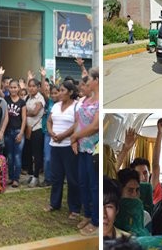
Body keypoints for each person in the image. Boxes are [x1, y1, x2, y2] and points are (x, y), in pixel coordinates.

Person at [45, 80, 80, 219]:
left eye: (62, 90)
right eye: (59, 90)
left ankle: (74, 208)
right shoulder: (55, 106)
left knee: (72, 178)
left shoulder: (76, 106)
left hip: (68, 145)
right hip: (55, 145)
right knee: (56, 176)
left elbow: (78, 124)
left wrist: (64, 135)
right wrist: (51, 132)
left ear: (71, 92)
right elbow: (49, 121)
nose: (59, 93)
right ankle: (54, 203)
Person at [71, 66, 99, 236]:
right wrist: (74, 138)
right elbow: (77, 122)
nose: (84, 84)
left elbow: (95, 127)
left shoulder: (100, 101)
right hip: (81, 148)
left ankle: (96, 221)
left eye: (88, 80)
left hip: (93, 150)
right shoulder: (84, 101)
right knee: (82, 183)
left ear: (96, 81)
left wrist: (74, 137)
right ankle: (87, 214)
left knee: (94, 186)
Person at [3, 79, 26, 188]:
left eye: (15, 87)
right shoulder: (6, 99)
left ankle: (16, 179)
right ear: (8, 88)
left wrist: (21, 133)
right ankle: (11, 177)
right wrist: (0, 76)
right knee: (10, 156)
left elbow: (24, 119)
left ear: (19, 88)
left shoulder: (22, 102)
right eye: (11, 87)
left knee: (17, 156)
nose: (13, 89)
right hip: (8, 132)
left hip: (18, 131)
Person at [24, 78, 45, 187]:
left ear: (38, 87)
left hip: (37, 129)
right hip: (27, 129)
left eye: (33, 86)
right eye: (30, 86)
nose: (31, 88)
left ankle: (36, 176)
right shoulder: (27, 97)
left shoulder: (40, 98)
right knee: (28, 153)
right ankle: (31, 174)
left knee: (37, 154)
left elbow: (35, 112)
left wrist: (24, 113)